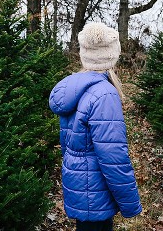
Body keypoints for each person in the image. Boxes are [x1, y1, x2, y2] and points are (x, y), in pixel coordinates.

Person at [49, 22, 142, 231]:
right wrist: (131, 204)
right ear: (112, 55)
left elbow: (69, 145)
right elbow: (113, 157)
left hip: (80, 187)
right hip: (95, 192)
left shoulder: (74, 88)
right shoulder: (104, 94)